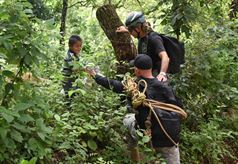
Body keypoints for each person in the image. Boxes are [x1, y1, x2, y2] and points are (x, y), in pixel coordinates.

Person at [85, 54, 182, 163]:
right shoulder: (165, 87)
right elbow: (179, 109)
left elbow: (112, 84)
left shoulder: (134, 87)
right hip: (170, 138)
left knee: (128, 119)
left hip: (148, 136)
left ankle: (136, 156)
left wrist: (95, 75)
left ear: (137, 70)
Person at [116, 12, 170, 82]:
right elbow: (135, 33)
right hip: (146, 70)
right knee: (131, 63)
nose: (130, 33)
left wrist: (162, 74)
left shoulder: (154, 38)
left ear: (138, 28)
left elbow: (165, 57)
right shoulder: (142, 36)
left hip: (155, 74)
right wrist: (125, 30)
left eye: (130, 30)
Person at [62, 35, 83, 107]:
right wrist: (85, 69)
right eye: (77, 46)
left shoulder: (75, 54)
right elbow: (74, 68)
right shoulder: (69, 56)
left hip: (73, 78)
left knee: (75, 91)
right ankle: (69, 108)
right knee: (69, 94)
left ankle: (74, 107)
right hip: (67, 79)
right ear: (70, 46)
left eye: (80, 46)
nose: (79, 48)